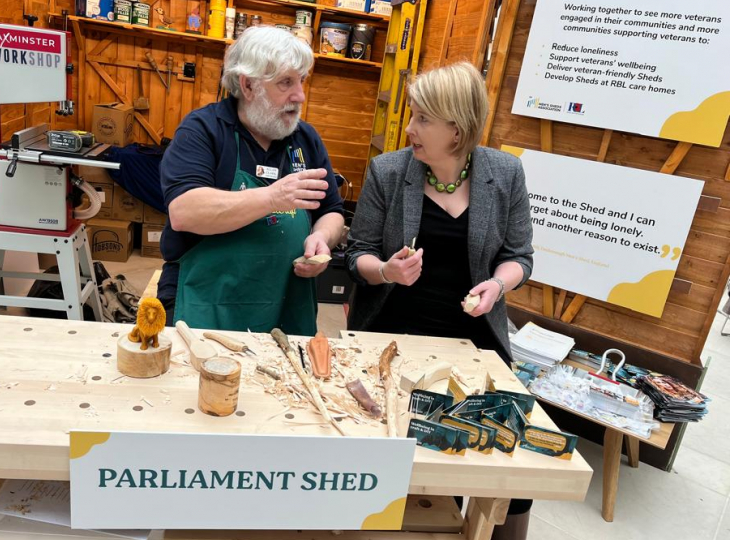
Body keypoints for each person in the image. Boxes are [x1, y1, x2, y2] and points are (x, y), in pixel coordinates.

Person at [345, 62, 534, 540]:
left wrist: (497, 285)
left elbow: (519, 257)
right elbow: (357, 254)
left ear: (458, 126)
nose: (410, 128)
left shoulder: (505, 174)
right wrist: (386, 270)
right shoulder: (389, 171)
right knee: (387, 450)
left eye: (423, 118)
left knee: (503, 465)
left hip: (473, 341)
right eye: (413, 115)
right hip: (393, 330)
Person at [157, 26, 345, 335]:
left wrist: (322, 238)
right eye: (286, 82)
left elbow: (332, 210)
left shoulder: (306, 139)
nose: (299, 96)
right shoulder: (204, 130)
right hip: (207, 305)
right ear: (248, 86)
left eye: (302, 81)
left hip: (287, 303)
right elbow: (184, 211)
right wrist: (272, 198)